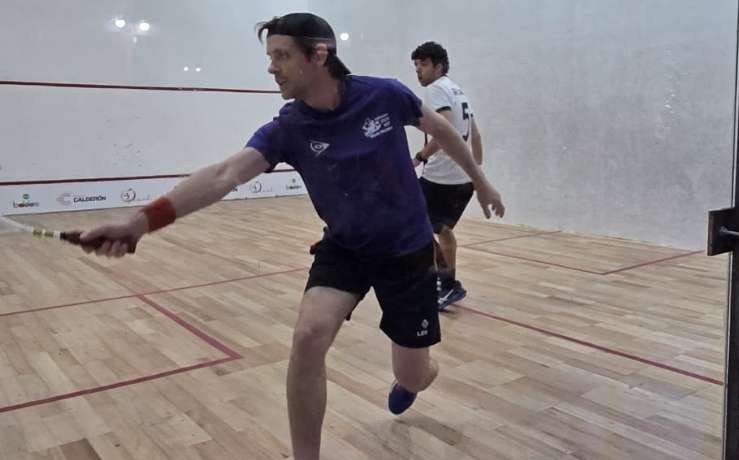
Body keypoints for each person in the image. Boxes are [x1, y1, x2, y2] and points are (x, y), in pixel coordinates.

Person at [79, 13, 504, 460]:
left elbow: (441, 129)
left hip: (406, 250)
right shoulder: (290, 128)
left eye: (281, 56)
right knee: (307, 337)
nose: (272, 67)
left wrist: (481, 181)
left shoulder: (384, 94)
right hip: (346, 247)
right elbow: (225, 174)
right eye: (271, 56)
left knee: (414, 374)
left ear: (318, 55)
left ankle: (414, 378)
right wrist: (139, 223)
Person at [411, 41, 483, 311]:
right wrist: (475, 172)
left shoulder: (436, 90)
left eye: (424, 64)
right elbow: (476, 134)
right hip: (461, 179)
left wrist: (420, 156)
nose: (418, 70)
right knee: (442, 229)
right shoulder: (457, 90)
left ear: (439, 66)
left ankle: (446, 282)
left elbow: (444, 129)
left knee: (414, 223)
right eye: (416, 65)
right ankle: (446, 282)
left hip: (440, 178)